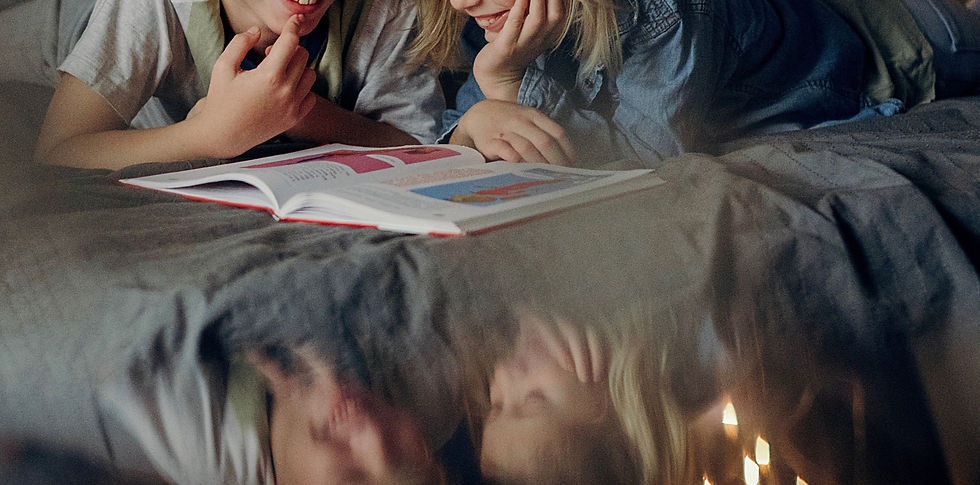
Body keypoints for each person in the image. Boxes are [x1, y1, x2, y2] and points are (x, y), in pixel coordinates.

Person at [410, 0, 980, 168]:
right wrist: (485, 106)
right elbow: (464, 133)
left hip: (892, 41)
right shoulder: (502, 17)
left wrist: (502, 86)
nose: (463, 1)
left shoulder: (668, 11)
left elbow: (644, 152)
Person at [0, 0, 444, 169]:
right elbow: (59, 150)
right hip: (69, 23)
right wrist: (207, 136)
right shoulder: (150, 6)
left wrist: (303, 113)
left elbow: (418, 147)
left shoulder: (386, 10)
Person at [99, 343, 446, 484]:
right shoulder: (430, 396)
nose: (370, 434)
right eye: (408, 462)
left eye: (351, 479)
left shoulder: (207, 445)